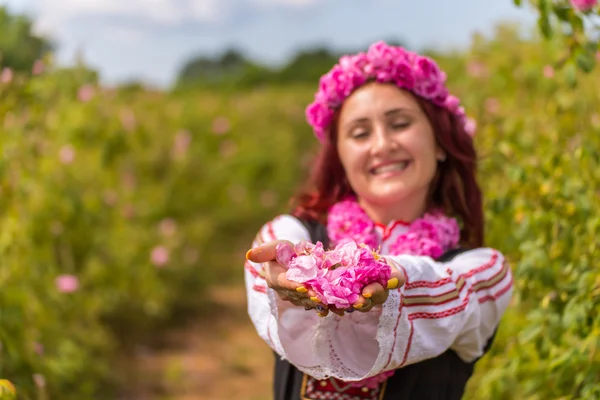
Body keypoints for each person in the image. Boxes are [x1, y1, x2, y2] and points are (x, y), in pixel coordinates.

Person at [244, 41, 514, 400]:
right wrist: (290, 267)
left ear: (439, 143)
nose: (382, 145)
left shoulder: (481, 270)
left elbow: (449, 288)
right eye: (360, 133)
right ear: (339, 156)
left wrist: (388, 277)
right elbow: (270, 256)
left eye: (400, 124)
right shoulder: (294, 235)